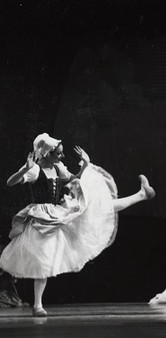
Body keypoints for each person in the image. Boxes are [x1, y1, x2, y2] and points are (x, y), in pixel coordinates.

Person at [0, 133, 155, 317]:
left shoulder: (58, 168)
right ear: (46, 153)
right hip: (42, 218)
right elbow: (10, 182)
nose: (62, 157)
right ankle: (38, 305)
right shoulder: (34, 170)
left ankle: (141, 195)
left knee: (97, 207)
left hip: (59, 211)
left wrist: (87, 165)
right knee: (42, 261)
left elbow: (74, 178)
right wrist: (24, 169)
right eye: (58, 153)